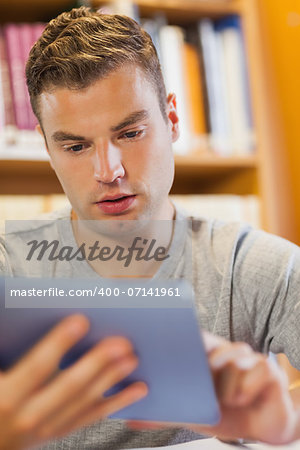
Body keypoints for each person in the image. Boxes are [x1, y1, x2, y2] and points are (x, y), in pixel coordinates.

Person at [0, 6, 300, 449]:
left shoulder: (257, 267)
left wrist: (288, 425)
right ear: (48, 148)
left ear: (172, 120)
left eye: (130, 133)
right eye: (77, 146)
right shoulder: (8, 263)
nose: (108, 171)